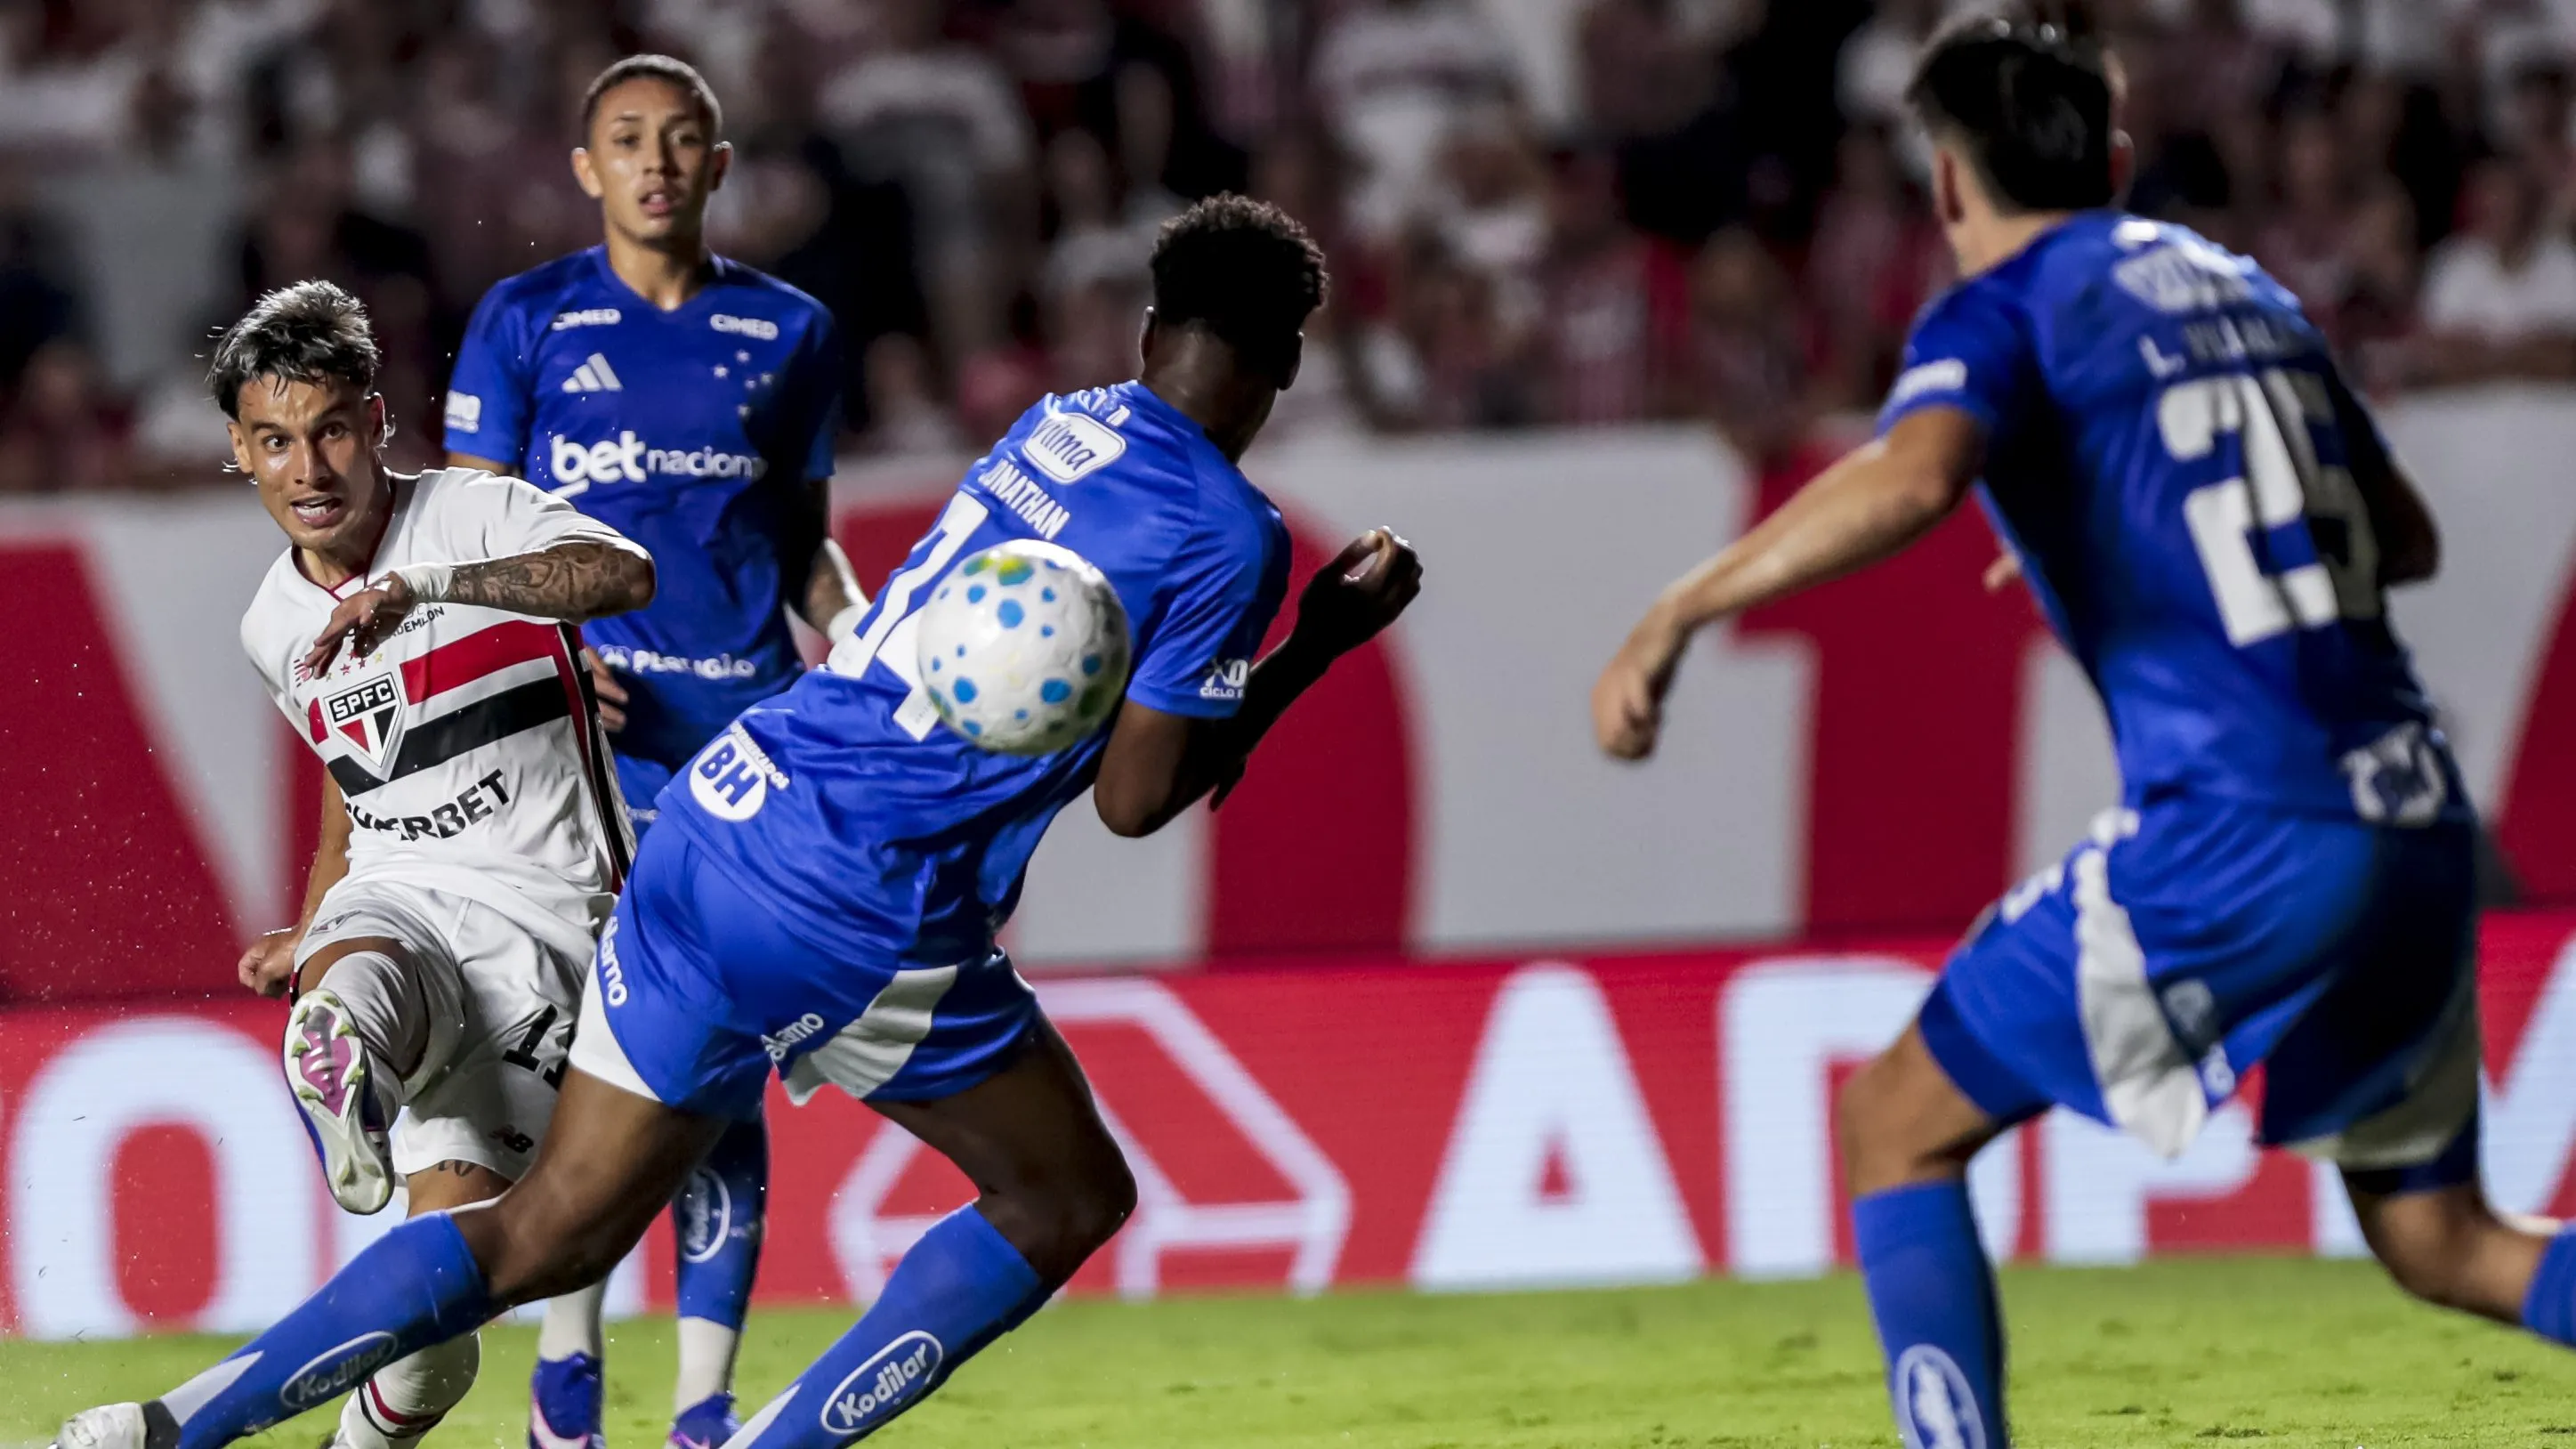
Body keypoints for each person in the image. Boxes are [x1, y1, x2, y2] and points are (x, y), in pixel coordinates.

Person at [55, 194, 1420, 1449]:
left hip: (722, 811)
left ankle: (168, 1425)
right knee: (1063, 1198)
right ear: (1286, 365)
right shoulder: (1228, 536)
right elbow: (1138, 801)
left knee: (545, 1235)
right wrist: (1318, 642)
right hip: (862, 895)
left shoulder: (1056, 422)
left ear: (1145, 327)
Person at [1593, 19, 2576, 1448]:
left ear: (1943, 186)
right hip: (2415, 819)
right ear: (2111, 160)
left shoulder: (2003, 308)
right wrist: (2126, 528)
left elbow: (1913, 476)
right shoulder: (2250, 296)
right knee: (2442, 1242)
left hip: (2247, 826)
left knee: (1893, 1122)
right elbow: (2398, 538)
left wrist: (1678, 608)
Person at [440, 54, 864, 1449]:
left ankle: (700, 1411)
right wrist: (550, 655)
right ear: (585, 168)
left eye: (683, 140)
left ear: (721, 165)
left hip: (742, 756)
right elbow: (467, 544)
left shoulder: (790, 330)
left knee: (719, 1081)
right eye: (627, 139)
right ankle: (568, 1365)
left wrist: (855, 636)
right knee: (595, 1065)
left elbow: (800, 541)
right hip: (584, 759)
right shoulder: (525, 321)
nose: (656, 162)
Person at [217, 280, 656, 1449]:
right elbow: (342, 792)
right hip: (403, 894)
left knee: (439, 1330)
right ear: (240, 454)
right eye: (275, 441)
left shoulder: (471, 512)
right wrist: (310, 925)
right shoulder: (271, 622)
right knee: (369, 947)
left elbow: (621, 576)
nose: (308, 467)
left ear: (374, 423)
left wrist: (432, 587)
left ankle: (348, 1038)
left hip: (549, 931)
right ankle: (338, 1045)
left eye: (330, 432)